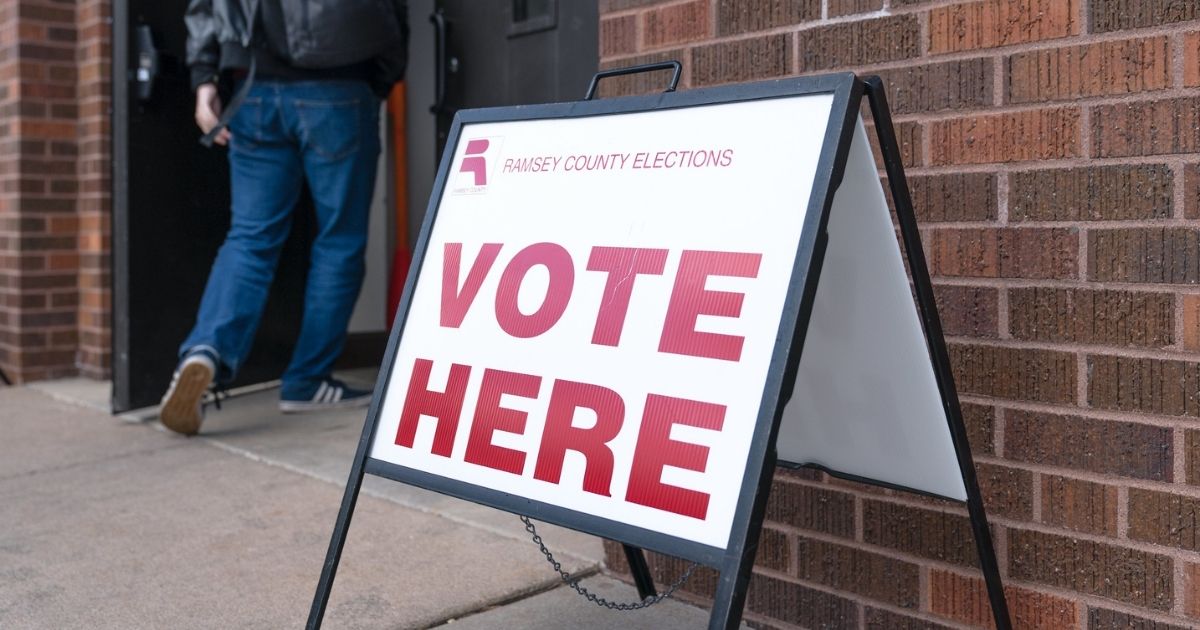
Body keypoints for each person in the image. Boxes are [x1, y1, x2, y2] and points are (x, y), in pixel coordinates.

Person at [159, 0, 409, 435]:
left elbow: (205, 6)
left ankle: (206, 349)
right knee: (340, 242)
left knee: (250, 238)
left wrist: (204, 77)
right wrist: (383, 76)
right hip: (339, 85)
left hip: (253, 85)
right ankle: (307, 381)